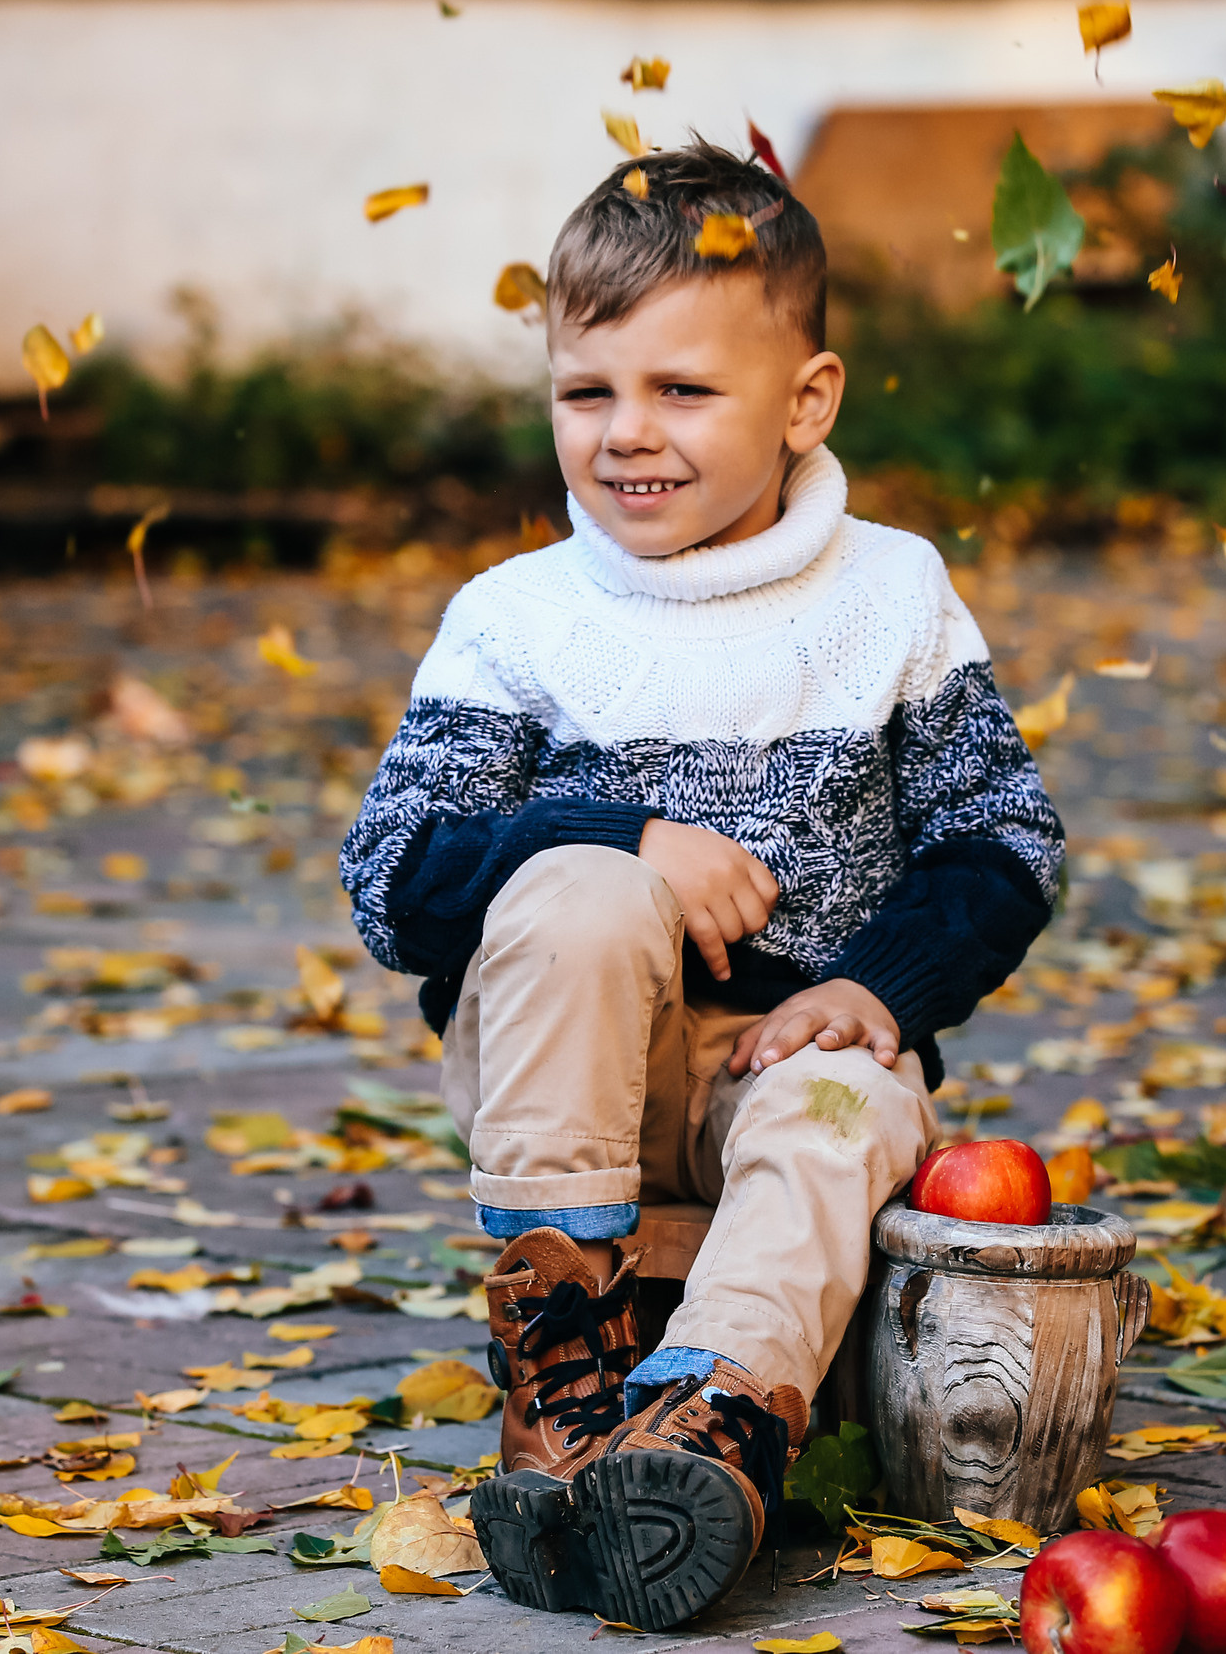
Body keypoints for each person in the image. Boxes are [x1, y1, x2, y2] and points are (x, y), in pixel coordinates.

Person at [337, 139, 1064, 1630]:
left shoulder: (889, 595)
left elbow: (1004, 839)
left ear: (807, 401)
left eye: (682, 391)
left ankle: (710, 1419)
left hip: (780, 1068)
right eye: (586, 393)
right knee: (584, 893)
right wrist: (618, 840)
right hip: (565, 1068)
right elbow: (392, 877)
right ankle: (561, 1390)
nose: (625, 435)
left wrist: (879, 990)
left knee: (846, 1100)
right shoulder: (516, 619)